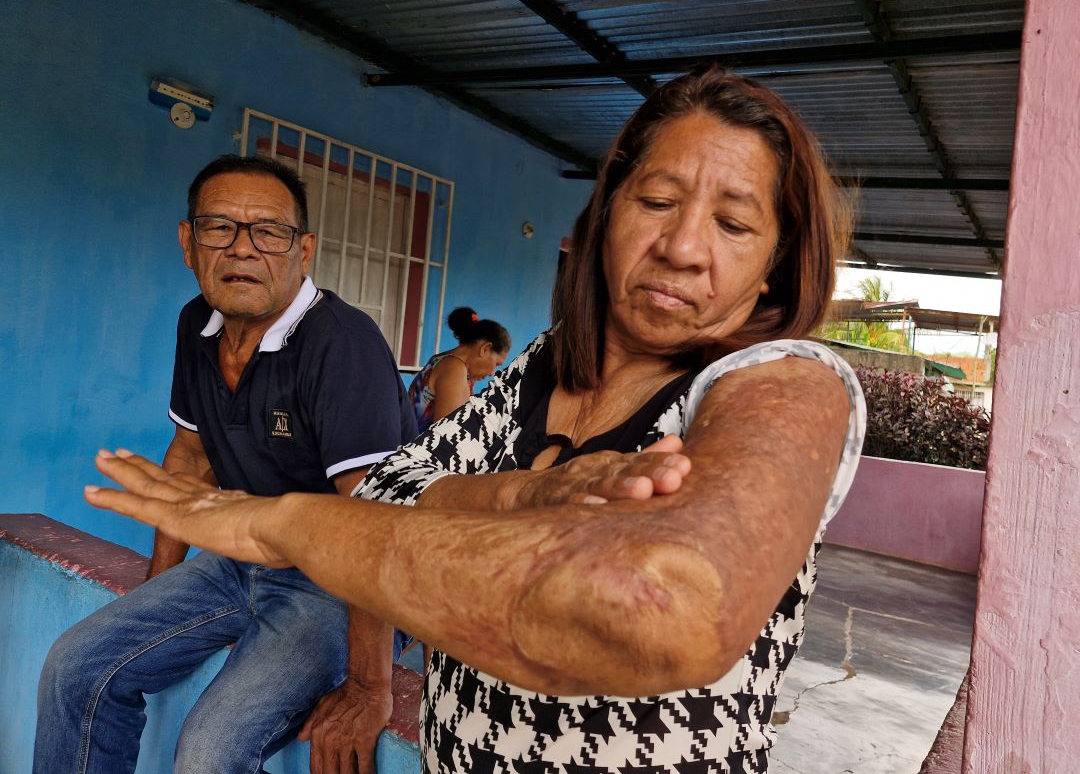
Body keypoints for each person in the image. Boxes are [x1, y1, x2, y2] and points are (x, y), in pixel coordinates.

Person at [85, 65, 866, 773]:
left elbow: (661, 610)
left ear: (776, 264)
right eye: (658, 202)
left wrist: (283, 526)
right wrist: (528, 498)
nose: (685, 248)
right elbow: (389, 486)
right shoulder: (548, 364)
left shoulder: (786, 383)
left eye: (734, 225)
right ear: (609, 214)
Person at [35, 155, 417, 774]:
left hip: (334, 585)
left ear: (304, 250)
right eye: (220, 228)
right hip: (236, 562)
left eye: (269, 232)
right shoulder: (199, 324)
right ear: (189, 243)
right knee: (76, 667)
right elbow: (189, 459)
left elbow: (369, 525)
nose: (244, 250)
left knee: (211, 749)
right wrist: (158, 593)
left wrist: (371, 688)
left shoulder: (342, 345)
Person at [409, 307, 510, 431]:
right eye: (496, 364)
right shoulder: (454, 368)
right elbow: (448, 435)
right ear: (485, 348)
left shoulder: (442, 360)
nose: (492, 373)